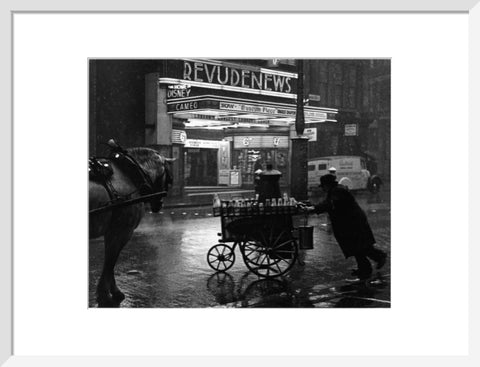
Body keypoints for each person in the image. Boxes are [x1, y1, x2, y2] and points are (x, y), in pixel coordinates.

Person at [302, 173, 387, 280]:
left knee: (360, 247)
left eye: (323, 186)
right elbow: (328, 203)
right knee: (358, 247)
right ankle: (365, 268)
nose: (323, 188)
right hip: (351, 222)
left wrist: (314, 209)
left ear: (327, 184)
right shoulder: (335, 190)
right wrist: (314, 207)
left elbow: (329, 204)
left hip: (353, 223)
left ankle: (378, 258)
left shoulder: (337, 191)